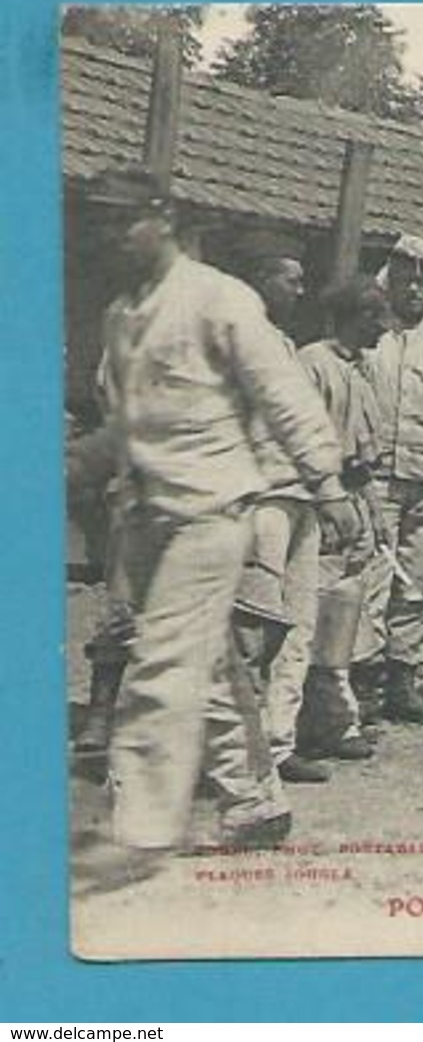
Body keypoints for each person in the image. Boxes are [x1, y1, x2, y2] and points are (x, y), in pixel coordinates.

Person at [85, 168, 358, 877]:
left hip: (212, 510)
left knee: (164, 659)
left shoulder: (217, 300)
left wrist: (327, 484)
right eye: (102, 223)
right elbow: (126, 424)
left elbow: (285, 395)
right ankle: (254, 801)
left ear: (163, 219)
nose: (114, 236)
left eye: (125, 220)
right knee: (207, 661)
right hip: (145, 511)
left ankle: (139, 833)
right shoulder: (122, 315)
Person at [238, 235, 353, 784]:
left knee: (299, 625)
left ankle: (278, 744)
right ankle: (239, 747)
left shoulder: (283, 344)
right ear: (260, 278)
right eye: (291, 278)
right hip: (259, 498)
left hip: (301, 494)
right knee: (252, 627)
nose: (300, 289)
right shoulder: (232, 338)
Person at [363, 233, 423, 724]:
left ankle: (404, 678)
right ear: (390, 282)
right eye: (406, 281)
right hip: (377, 474)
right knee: (370, 577)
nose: (414, 292)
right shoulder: (371, 337)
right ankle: (358, 683)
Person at [296, 274, 393, 749]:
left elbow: (369, 446)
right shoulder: (312, 364)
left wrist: (375, 513)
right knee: (317, 612)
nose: (385, 327)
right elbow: (303, 439)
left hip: (355, 503)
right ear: (360, 318)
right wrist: (337, 473)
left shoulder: (362, 369)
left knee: (350, 611)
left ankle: (339, 714)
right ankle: (323, 723)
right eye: (378, 317)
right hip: (322, 504)